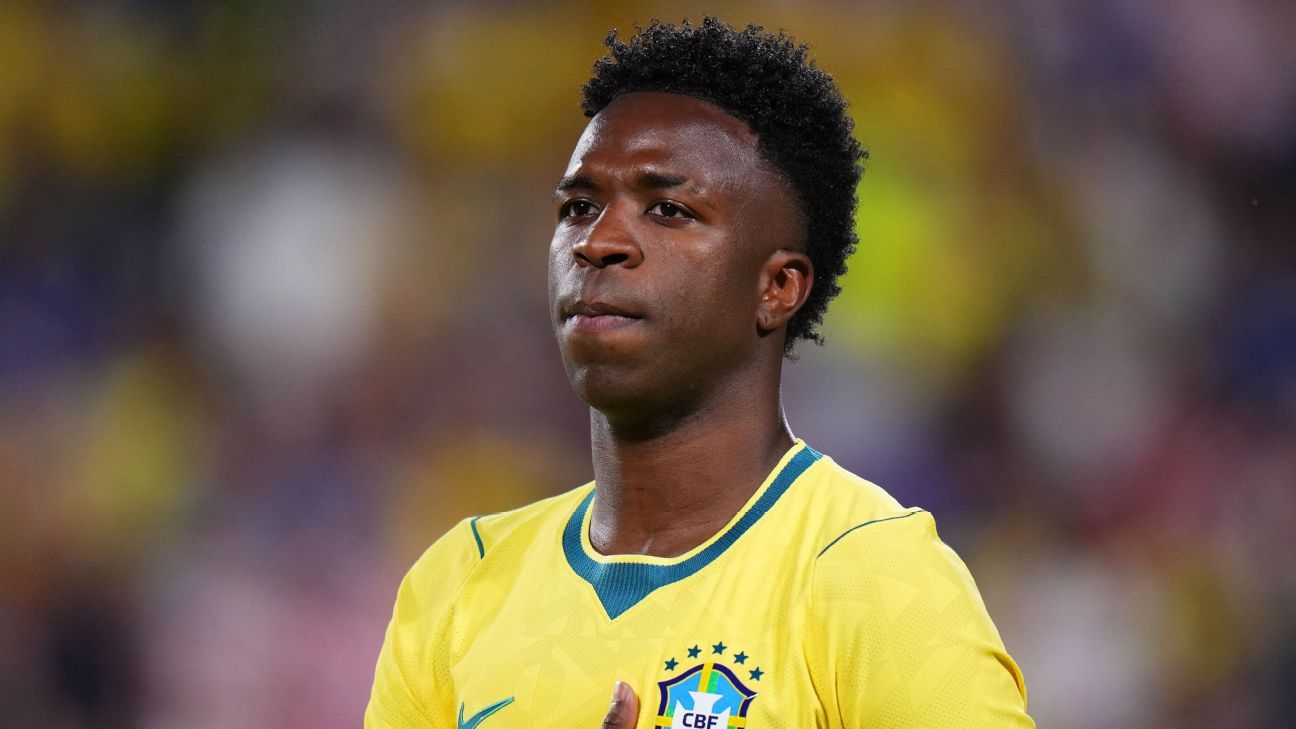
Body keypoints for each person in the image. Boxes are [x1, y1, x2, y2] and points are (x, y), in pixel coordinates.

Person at [366, 17, 1033, 729]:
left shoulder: (872, 575)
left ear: (777, 287)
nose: (598, 241)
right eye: (579, 207)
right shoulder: (460, 583)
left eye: (668, 209)